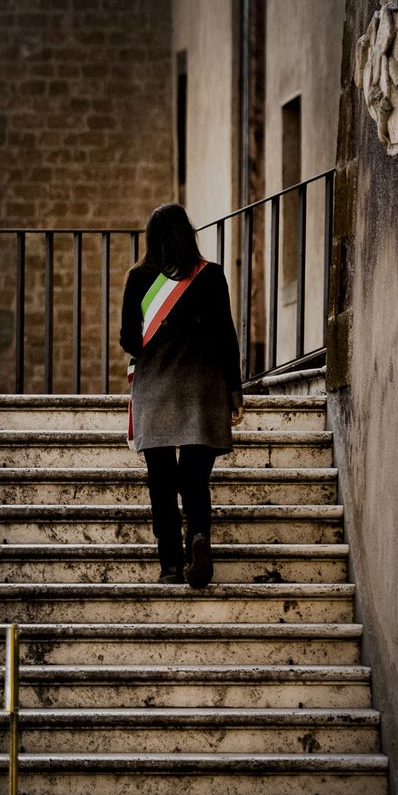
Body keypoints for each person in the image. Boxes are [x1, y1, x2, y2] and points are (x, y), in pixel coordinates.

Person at [119, 203, 244, 588]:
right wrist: (234, 393)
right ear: (188, 234)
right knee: (194, 478)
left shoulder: (138, 278)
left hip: (156, 388)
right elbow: (227, 337)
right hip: (204, 388)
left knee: (160, 479)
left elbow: (128, 339)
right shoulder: (212, 276)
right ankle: (199, 539)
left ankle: (171, 565)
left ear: (151, 239)